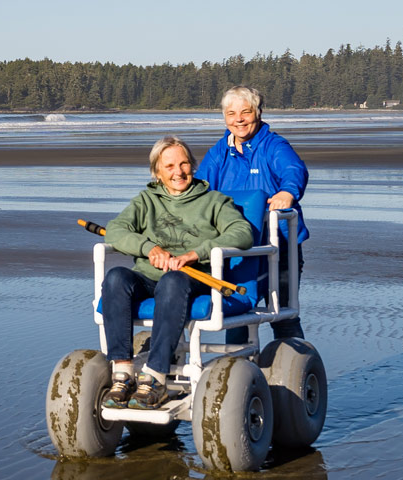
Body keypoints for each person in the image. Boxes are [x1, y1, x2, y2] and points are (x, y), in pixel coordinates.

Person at [100, 136, 254, 409]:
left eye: (184, 164)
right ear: (157, 172)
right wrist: (149, 248)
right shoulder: (146, 200)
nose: (178, 172)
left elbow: (242, 233)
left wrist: (196, 253)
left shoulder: (214, 201)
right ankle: (122, 372)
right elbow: (115, 230)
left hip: (192, 278)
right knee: (115, 278)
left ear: (193, 166)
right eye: (169, 166)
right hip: (148, 276)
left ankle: (157, 376)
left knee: (171, 282)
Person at [195, 86, 310, 340]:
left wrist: (287, 193)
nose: (239, 119)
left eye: (245, 112)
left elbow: (294, 170)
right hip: (234, 250)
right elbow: (199, 187)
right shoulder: (219, 152)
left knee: (283, 315)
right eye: (232, 113)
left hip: (278, 246)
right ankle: (240, 369)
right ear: (224, 116)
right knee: (236, 313)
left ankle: (295, 370)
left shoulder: (273, 146)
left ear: (258, 113)